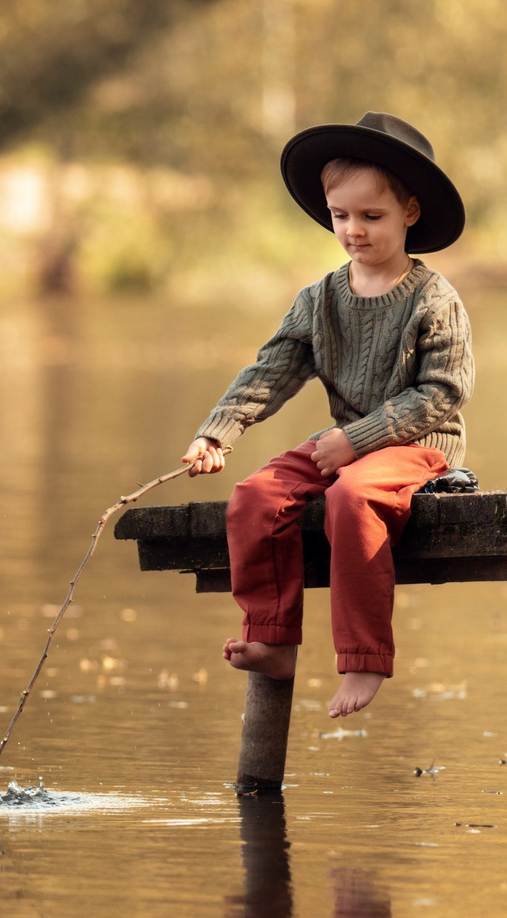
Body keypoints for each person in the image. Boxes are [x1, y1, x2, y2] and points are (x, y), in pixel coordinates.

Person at [182, 112, 475, 719]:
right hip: (344, 443)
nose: (354, 231)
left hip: (419, 444)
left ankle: (364, 660)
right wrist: (219, 430)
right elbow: (272, 370)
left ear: (409, 214)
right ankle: (272, 638)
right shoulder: (320, 299)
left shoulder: (434, 298)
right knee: (255, 498)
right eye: (341, 216)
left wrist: (358, 440)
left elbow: (443, 394)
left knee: (352, 498)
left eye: (372, 217)